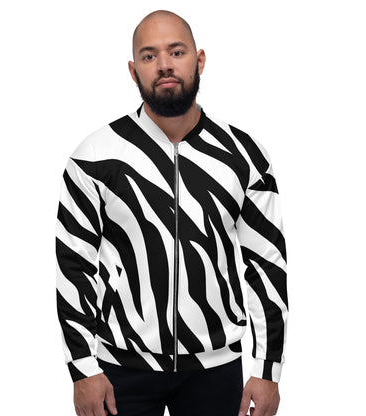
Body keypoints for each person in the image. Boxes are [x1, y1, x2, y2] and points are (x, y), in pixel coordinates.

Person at [55, 9, 288, 416]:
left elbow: (267, 264)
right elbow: (74, 265)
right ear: (133, 71)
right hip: (119, 368)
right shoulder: (94, 157)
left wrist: (268, 370)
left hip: (216, 369)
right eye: (149, 56)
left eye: (176, 52)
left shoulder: (244, 156)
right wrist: (82, 368)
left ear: (199, 60)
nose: (164, 65)